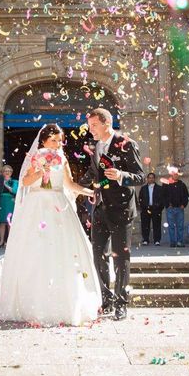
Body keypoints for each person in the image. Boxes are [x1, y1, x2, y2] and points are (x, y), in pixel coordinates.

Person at [0, 123, 101, 326]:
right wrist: (41, 170)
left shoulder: (61, 158)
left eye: (59, 140)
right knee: (35, 250)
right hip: (36, 206)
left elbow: (69, 184)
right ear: (43, 140)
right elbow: (26, 182)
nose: (56, 144)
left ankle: (65, 301)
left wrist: (90, 192)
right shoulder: (34, 157)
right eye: (53, 140)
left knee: (61, 251)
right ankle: (32, 301)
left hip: (58, 204)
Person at [79, 109, 146, 321]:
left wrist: (120, 175)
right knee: (97, 255)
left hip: (121, 210)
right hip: (99, 209)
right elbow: (93, 174)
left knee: (121, 258)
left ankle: (121, 303)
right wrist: (71, 185)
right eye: (89, 126)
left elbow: (141, 176)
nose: (91, 130)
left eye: (94, 126)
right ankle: (106, 299)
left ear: (106, 123)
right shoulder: (96, 146)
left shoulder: (126, 143)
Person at [162, 167, 189, 247]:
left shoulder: (182, 184)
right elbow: (163, 195)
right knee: (171, 226)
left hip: (179, 208)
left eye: (177, 174)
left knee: (180, 226)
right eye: (174, 174)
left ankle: (180, 241)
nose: (176, 175)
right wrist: (167, 204)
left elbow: (186, 196)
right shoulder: (166, 184)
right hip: (170, 208)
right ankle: (173, 242)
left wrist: (183, 204)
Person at [138, 172, 164, 246]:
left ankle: (157, 240)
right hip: (146, 209)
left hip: (156, 209)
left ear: (154, 179)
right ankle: (145, 239)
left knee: (157, 225)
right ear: (147, 179)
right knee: (145, 225)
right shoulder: (143, 188)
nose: (151, 179)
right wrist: (143, 207)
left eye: (152, 177)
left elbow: (162, 199)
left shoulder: (159, 188)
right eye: (149, 178)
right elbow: (140, 198)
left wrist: (159, 208)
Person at [0, 165, 19, 247]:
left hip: (10, 202)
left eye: (9, 171)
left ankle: (9, 241)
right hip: (1, 201)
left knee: (9, 222)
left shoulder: (14, 181)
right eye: (5, 171)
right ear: (2, 172)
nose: (7, 172)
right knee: (2, 223)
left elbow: (14, 191)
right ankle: (1, 241)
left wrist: (6, 184)